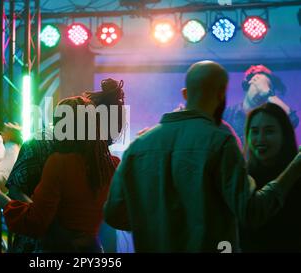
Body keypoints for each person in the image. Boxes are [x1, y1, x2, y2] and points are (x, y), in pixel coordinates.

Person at [104, 60, 301, 252]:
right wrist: (295, 167)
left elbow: (113, 213)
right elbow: (251, 212)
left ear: (185, 94)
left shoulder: (139, 145)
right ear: (222, 94)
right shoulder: (221, 140)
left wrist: (157, 224)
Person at [5, 78, 125, 253]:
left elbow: (16, 192)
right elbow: (16, 189)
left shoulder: (58, 154)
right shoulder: (42, 143)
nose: (108, 140)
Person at [240, 103, 301, 252]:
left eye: (269, 131)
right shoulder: (243, 177)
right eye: (254, 131)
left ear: (284, 134)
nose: (260, 139)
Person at [223, 64, 299, 144]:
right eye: (257, 86)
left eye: (264, 88)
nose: (260, 92)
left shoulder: (269, 117)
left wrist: (267, 92)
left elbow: (293, 120)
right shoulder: (227, 114)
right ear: (247, 85)